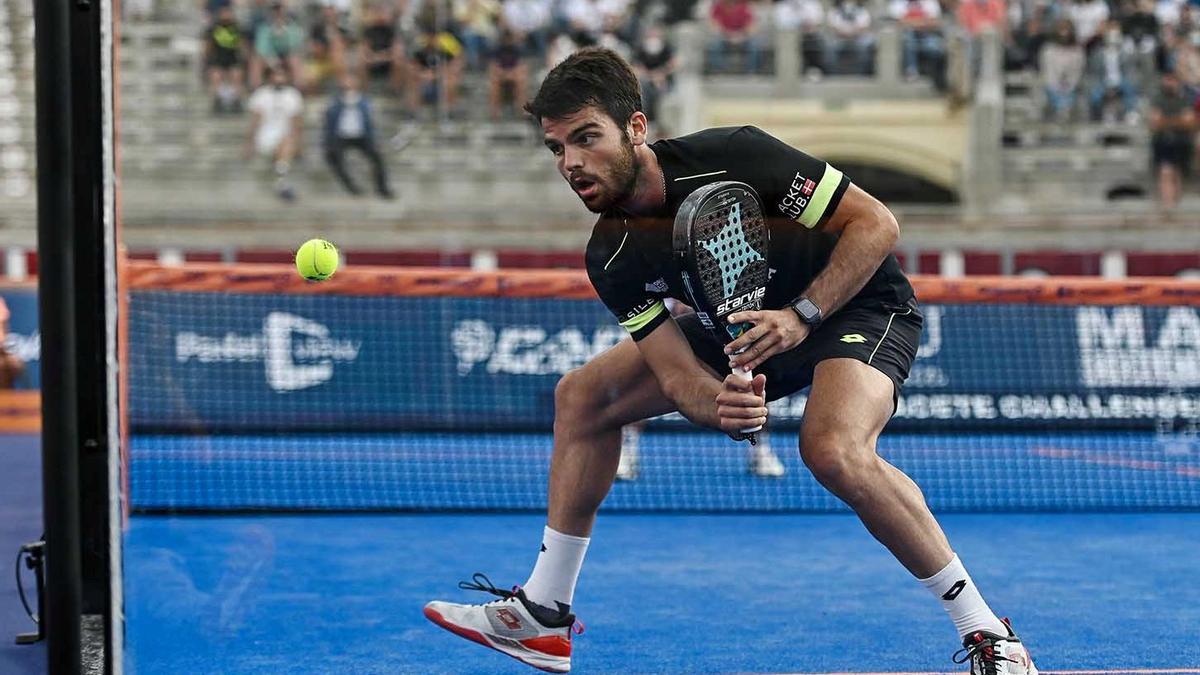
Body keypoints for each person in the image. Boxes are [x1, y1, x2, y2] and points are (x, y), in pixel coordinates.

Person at [423, 47, 1038, 675]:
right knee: (582, 396)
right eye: (557, 148)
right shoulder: (611, 254)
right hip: (745, 328)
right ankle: (543, 614)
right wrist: (717, 407)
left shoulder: (736, 155)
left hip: (854, 307)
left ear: (636, 128)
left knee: (832, 449)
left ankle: (989, 634)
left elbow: (876, 224)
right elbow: (677, 375)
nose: (571, 162)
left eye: (586, 138)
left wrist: (802, 315)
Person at [323, 75, 394, 198]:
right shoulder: (335, 101)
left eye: (351, 82)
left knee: (377, 158)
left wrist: (374, 139)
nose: (348, 84)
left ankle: (383, 189)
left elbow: (370, 123)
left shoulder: (364, 102)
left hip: (361, 136)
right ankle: (352, 187)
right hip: (342, 136)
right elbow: (329, 122)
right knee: (333, 157)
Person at [245, 67, 304, 201]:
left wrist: (300, 144)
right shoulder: (261, 94)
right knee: (284, 144)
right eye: (276, 75)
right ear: (270, 77)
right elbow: (255, 120)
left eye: (282, 75)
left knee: (286, 142)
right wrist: (249, 143)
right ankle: (282, 182)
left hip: (285, 136)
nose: (279, 78)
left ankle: (281, 183)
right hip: (265, 135)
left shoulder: (293, 95)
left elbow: (296, 122)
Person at [1149, 70, 1194, 207]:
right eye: (1167, 80)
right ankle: (1167, 204)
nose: (1169, 83)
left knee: (1177, 173)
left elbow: (1189, 122)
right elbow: (1154, 122)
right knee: (1165, 172)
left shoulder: (1184, 99)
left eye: (1172, 80)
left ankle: (1174, 204)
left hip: (1181, 141)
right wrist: (1178, 120)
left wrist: (1165, 121)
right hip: (1162, 141)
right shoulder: (1157, 99)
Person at [204, 5, 247, 113]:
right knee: (215, 76)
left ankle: (237, 101)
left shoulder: (237, 28)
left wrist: (243, 57)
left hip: (233, 59)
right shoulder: (213, 28)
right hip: (218, 59)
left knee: (237, 75)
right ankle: (216, 101)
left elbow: (242, 46)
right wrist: (207, 61)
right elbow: (208, 47)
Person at [1041, 20, 1085, 120]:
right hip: (1053, 87)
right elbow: (1048, 72)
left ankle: (1065, 114)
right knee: (1053, 98)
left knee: (1069, 100)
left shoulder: (1078, 51)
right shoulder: (1048, 50)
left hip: (1071, 88)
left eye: (1066, 29)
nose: (1064, 33)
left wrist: (1069, 86)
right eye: (1061, 29)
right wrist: (1056, 87)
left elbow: (1077, 72)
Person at [359, 4, 406, 94]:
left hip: (388, 59)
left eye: (382, 12)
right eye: (377, 13)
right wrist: (373, 57)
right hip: (372, 59)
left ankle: (394, 90)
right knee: (361, 61)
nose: (380, 15)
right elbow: (365, 48)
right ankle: (363, 91)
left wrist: (383, 56)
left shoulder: (392, 30)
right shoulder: (368, 30)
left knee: (399, 61)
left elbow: (396, 48)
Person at [488, 29, 530, 119]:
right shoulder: (497, 50)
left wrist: (511, 74)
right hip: (501, 76)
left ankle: (523, 110)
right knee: (494, 83)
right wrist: (504, 74)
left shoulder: (518, 50)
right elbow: (493, 67)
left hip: (514, 75)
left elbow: (522, 67)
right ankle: (495, 112)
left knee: (521, 82)